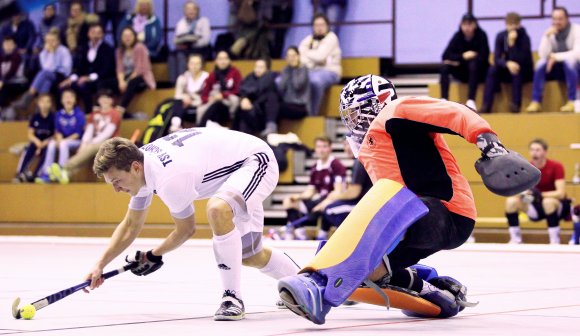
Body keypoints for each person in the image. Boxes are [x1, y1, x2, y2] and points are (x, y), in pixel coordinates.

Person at [277, 74, 540, 324]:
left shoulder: (395, 111)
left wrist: (489, 144)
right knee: (365, 274)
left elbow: (456, 112)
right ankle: (433, 289)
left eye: (355, 113)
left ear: (374, 103)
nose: (352, 121)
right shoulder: (371, 145)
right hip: (417, 220)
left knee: (375, 212)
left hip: (442, 210)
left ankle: (318, 284)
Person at [73, 128, 301, 321]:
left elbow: (186, 229)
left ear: (134, 167)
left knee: (217, 209)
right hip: (235, 170)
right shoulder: (141, 167)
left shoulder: (168, 177)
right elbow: (131, 225)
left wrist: (154, 254)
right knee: (248, 254)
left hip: (256, 161)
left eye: (117, 182)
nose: (116, 190)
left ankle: (232, 298)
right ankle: (308, 285)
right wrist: (99, 265)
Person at [49, 89, 121, 184]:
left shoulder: (115, 114)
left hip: (109, 143)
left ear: (112, 101)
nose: (104, 101)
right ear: (98, 100)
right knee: (87, 152)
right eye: (102, 98)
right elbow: (88, 131)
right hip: (94, 144)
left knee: (93, 148)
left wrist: (90, 144)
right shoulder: (94, 114)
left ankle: (64, 167)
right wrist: (84, 144)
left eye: (107, 98)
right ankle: (66, 174)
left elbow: (107, 134)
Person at [283, 135, 346, 240]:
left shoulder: (336, 165)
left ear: (330, 148)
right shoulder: (314, 167)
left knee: (326, 207)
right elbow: (310, 192)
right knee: (288, 202)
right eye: (319, 147)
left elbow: (338, 192)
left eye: (324, 146)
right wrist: (297, 197)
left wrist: (323, 204)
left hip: (333, 201)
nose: (321, 150)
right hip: (320, 200)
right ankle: (300, 233)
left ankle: (323, 234)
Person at [504, 138, 566, 244]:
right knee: (511, 202)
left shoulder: (556, 166)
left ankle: (554, 241)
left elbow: (561, 193)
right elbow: (520, 192)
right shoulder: (525, 167)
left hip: (554, 205)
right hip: (534, 205)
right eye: (532, 150)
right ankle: (515, 239)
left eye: (538, 150)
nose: (534, 153)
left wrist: (540, 194)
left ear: (545, 152)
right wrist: (524, 194)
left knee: (548, 202)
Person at [313, 139, 372, 240]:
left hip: (365, 205)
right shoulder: (359, 160)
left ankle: (351, 240)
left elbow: (354, 192)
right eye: (345, 145)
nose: (347, 148)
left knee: (329, 210)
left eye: (349, 144)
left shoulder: (359, 161)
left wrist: (335, 196)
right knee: (330, 208)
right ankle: (320, 239)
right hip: (363, 201)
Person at [525, 7, 580, 113]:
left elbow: (577, 54)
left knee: (570, 61)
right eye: (554, 19)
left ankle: (572, 100)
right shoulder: (550, 32)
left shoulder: (577, 30)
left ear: (567, 19)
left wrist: (556, 57)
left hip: (574, 69)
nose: (557, 22)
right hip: (555, 69)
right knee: (541, 63)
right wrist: (546, 37)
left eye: (560, 19)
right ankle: (536, 101)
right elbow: (543, 54)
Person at [480, 12, 533, 113]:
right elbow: (496, 58)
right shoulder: (500, 36)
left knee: (516, 70)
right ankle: (486, 105)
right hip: (506, 68)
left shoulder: (524, 38)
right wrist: (507, 64)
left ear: (519, 24)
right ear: (506, 24)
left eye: (515, 24)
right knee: (492, 70)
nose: (512, 27)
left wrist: (512, 45)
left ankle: (516, 105)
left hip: (523, 70)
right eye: (510, 24)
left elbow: (523, 59)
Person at [59, 23, 117, 113]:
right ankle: (66, 113)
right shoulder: (83, 48)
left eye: (98, 33)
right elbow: (77, 67)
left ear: (102, 35)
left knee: (83, 86)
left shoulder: (108, 49)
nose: (96, 35)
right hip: (82, 78)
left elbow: (107, 69)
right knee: (63, 87)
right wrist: (71, 79)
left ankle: (89, 112)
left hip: (100, 79)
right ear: (88, 34)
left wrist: (89, 78)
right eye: (93, 32)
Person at [12, 28, 72, 113]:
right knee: (46, 81)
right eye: (48, 41)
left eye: (53, 40)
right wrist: (50, 53)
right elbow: (46, 67)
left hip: (61, 77)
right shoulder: (44, 52)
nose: (50, 43)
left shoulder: (64, 51)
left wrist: (52, 53)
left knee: (44, 74)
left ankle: (28, 98)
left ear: (58, 41)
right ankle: (40, 109)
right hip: (48, 76)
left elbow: (66, 70)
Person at [440, 13, 489, 111]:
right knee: (444, 66)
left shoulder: (481, 35)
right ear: (461, 25)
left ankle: (471, 100)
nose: (467, 28)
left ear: (475, 25)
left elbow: (484, 57)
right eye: (464, 25)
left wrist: (472, 57)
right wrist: (462, 57)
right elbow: (445, 55)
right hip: (462, 70)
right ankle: (444, 99)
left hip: (478, 73)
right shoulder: (457, 36)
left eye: (469, 25)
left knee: (473, 64)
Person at [36, 89, 85, 183]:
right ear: (62, 100)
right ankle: (46, 173)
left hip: (77, 141)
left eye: (71, 97)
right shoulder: (58, 114)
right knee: (51, 144)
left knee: (63, 144)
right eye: (66, 97)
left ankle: (62, 171)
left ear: (75, 100)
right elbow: (57, 131)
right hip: (63, 140)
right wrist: (59, 140)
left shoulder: (79, 114)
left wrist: (63, 141)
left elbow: (77, 134)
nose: (68, 100)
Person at [299, 13, 341, 115]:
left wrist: (308, 54)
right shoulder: (309, 39)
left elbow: (320, 56)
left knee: (315, 81)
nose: (319, 28)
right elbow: (300, 52)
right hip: (311, 70)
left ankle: (312, 115)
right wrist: (315, 58)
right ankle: (300, 113)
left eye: (322, 25)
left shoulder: (331, 37)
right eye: (316, 25)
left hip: (330, 72)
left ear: (327, 26)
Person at [116, 27, 156, 118]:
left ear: (134, 36)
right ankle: (108, 109)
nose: (127, 38)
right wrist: (121, 81)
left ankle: (121, 108)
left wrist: (126, 82)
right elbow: (120, 69)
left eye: (130, 35)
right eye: (125, 36)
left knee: (133, 82)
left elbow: (139, 70)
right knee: (109, 82)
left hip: (141, 78)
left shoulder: (139, 47)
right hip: (127, 77)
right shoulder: (119, 50)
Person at [233, 58, 280, 136]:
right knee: (241, 111)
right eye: (256, 66)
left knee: (247, 113)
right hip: (249, 110)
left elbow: (260, 92)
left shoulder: (270, 78)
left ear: (267, 69)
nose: (258, 69)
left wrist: (251, 103)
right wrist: (244, 98)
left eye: (261, 67)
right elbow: (242, 89)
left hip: (261, 113)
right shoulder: (250, 77)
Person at [13, 94, 54, 183]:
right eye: (42, 101)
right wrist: (37, 142)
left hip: (47, 143)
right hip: (36, 142)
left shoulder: (53, 117)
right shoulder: (35, 117)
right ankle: (20, 173)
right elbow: (30, 134)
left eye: (47, 102)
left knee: (47, 151)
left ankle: (36, 174)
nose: (45, 104)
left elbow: (55, 134)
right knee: (29, 149)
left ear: (50, 104)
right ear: (38, 103)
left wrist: (44, 143)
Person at [198, 50, 241, 127]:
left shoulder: (235, 72)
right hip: (214, 102)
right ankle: (201, 128)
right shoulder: (212, 75)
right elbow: (204, 94)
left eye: (225, 58)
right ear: (216, 61)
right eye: (220, 59)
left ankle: (201, 127)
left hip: (228, 104)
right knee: (203, 108)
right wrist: (209, 99)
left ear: (229, 60)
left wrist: (223, 95)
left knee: (227, 102)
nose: (223, 61)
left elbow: (239, 90)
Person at [171, 0, 211, 80]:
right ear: (185, 11)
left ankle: (183, 81)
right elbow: (175, 39)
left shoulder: (204, 21)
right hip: (185, 48)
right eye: (188, 9)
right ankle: (174, 83)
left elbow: (206, 40)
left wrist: (192, 43)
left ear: (197, 10)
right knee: (171, 56)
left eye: (193, 9)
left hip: (199, 49)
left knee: (181, 56)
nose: (191, 11)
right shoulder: (181, 23)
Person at [172, 53, 209, 131]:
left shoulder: (207, 77)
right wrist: (185, 97)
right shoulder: (183, 77)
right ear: (188, 64)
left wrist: (191, 100)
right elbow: (177, 95)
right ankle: (176, 124)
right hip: (185, 105)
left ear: (202, 65)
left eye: (197, 63)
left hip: (200, 104)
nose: (194, 66)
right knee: (174, 102)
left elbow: (207, 97)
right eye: (192, 63)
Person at [277, 46, 311, 120]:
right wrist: (287, 71)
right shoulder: (286, 70)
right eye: (289, 56)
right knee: (271, 106)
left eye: (293, 56)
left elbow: (297, 86)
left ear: (298, 56)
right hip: (288, 103)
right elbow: (281, 88)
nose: (291, 58)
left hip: (300, 105)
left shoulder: (303, 69)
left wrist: (294, 69)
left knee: (276, 108)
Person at [0, 35, 27, 116]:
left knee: (4, 88)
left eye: (10, 44)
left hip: (19, 82)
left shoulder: (17, 56)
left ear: (14, 45)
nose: (8, 46)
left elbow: (12, 71)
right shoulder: (1, 56)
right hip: (6, 82)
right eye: (6, 44)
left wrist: (2, 81)